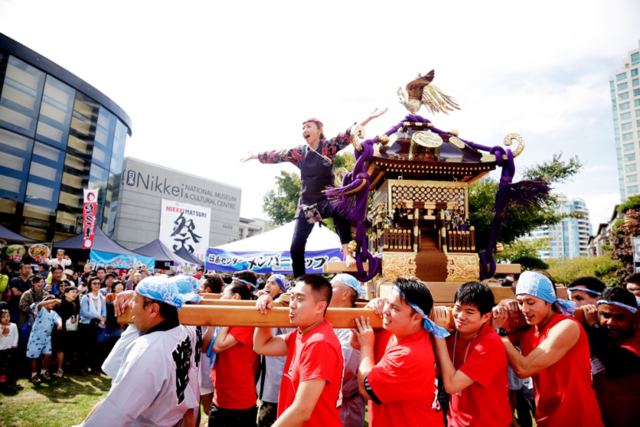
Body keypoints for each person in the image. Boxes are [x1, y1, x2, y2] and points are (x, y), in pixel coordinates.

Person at [241, 109, 388, 278]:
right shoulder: (299, 152)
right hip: (308, 204)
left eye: (308, 126)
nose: (305, 130)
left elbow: (348, 134)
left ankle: (347, 252)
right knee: (296, 247)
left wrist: (369, 117)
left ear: (319, 130)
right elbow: (276, 155)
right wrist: (254, 156)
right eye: (303, 128)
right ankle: (300, 281)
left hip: (326, 199)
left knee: (338, 209)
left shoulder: (328, 147)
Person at [81, 277, 200, 427]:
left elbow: (117, 412)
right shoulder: (181, 333)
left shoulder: (147, 348)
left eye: (136, 301)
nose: (130, 305)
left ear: (153, 310)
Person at [492, 271, 604, 426]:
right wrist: (503, 305)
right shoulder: (528, 332)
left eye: (531, 303)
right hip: (546, 416)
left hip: (578, 417)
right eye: (519, 303)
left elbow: (524, 368)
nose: (524, 309)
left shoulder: (567, 326)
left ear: (549, 301)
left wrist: (501, 334)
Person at [350, 278, 446, 427]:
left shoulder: (409, 354)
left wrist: (366, 345)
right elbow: (354, 341)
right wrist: (370, 307)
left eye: (395, 308)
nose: (386, 311)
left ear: (416, 318)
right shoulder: (395, 332)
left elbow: (366, 388)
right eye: (387, 302)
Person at [254, 274, 344, 426]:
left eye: (300, 299)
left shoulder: (319, 343)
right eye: (292, 297)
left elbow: (302, 410)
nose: (292, 304)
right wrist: (265, 310)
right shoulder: (302, 333)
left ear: (320, 307)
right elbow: (262, 346)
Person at [431, 281, 511, 426]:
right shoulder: (453, 335)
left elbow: (451, 386)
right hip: (455, 421)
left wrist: (439, 336)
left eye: (469, 312)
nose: (460, 316)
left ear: (486, 317)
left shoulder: (490, 344)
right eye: (458, 308)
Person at [202, 282, 259, 426]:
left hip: (239, 402)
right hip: (221, 397)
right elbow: (204, 347)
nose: (220, 299)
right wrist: (215, 321)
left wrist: (227, 315)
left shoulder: (245, 321)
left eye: (223, 295)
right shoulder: (224, 321)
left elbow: (218, 346)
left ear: (235, 297)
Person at [582, 286, 640, 426]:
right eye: (605, 315)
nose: (611, 323)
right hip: (599, 416)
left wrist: (594, 326)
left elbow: (616, 363)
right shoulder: (597, 333)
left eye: (620, 318)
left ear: (634, 319)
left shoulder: (637, 337)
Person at [329, 274, 366, 427]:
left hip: (344, 407)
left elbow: (346, 373)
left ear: (346, 294)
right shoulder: (329, 319)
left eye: (332, 287)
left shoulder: (351, 324)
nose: (326, 290)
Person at [254, 273, 291, 427]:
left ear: (283, 290)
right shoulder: (266, 305)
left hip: (281, 374)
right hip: (270, 373)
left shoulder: (286, 308)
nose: (267, 285)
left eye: (273, 283)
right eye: (267, 282)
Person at [26, 296, 62, 383]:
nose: (52, 304)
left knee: (48, 356)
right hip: (36, 338)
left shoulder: (53, 313)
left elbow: (58, 318)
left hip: (47, 338)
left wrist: (59, 324)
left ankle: (43, 372)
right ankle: (34, 375)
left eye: (53, 303)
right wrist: (52, 300)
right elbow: (39, 304)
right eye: (49, 302)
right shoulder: (41, 310)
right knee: (35, 357)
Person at [79, 277, 106, 376]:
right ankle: (82, 367)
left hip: (97, 324)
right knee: (84, 347)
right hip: (86, 324)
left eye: (98, 283)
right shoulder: (85, 297)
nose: (97, 285)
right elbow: (84, 312)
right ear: (90, 284)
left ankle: (94, 367)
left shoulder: (102, 297)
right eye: (94, 283)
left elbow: (104, 311)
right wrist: (98, 316)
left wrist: (103, 320)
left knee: (95, 348)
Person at [52, 284, 80, 378]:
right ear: (65, 293)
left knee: (60, 349)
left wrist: (73, 318)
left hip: (64, 330)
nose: (75, 294)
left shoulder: (73, 305)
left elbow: (72, 315)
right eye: (72, 292)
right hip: (52, 329)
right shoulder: (58, 303)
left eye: (76, 292)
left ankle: (59, 369)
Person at [0, 308, 18, 383]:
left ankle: (10, 377)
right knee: (2, 363)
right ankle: (2, 376)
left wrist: (14, 344)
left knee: (10, 363)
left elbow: (16, 335)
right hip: (1, 348)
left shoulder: (13, 325)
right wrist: (1, 329)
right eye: (3, 317)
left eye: (7, 316)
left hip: (10, 347)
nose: (6, 318)